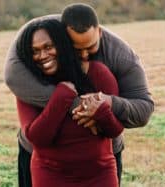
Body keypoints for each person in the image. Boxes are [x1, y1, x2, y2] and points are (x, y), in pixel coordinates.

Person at [4, 3, 154, 186]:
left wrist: (106, 103)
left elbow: (143, 110)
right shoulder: (37, 39)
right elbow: (13, 77)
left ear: (99, 33)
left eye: (90, 48)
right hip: (46, 165)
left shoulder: (120, 58)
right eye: (75, 49)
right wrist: (78, 104)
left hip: (99, 164)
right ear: (61, 39)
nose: (83, 55)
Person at [16, 19, 123, 186]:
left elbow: (115, 130)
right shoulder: (30, 85)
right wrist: (62, 96)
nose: (42, 56)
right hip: (51, 175)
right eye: (35, 51)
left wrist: (101, 111)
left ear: (63, 45)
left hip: (99, 174)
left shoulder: (98, 74)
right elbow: (37, 138)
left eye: (48, 47)